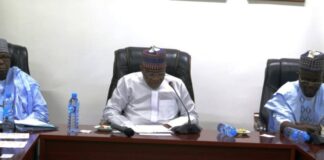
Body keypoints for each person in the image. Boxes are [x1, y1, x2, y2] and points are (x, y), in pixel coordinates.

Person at [102, 46, 200, 134]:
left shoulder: (176, 84)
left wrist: (171, 125)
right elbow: (111, 111)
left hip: (169, 135)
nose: (155, 78)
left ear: (165, 68)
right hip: (133, 134)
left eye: (160, 74)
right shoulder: (128, 82)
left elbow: (191, 115)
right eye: (151, 74)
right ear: (142, 69)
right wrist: (128, 125)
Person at [265, 50, 324, 134]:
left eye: (315, 80)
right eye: (305, 79)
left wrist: (320, 130)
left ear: (322, 78)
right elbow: (281, 124)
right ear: (299, 75)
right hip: (288, 143)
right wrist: (300, 128)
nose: (310, 85)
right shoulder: (286, 92)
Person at [0, 38, 49, 122]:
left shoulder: (25, 81)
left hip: (20, 132)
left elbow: (42, 113)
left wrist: (20, 125)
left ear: (10, 60)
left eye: (4, 57)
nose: (1, 61)